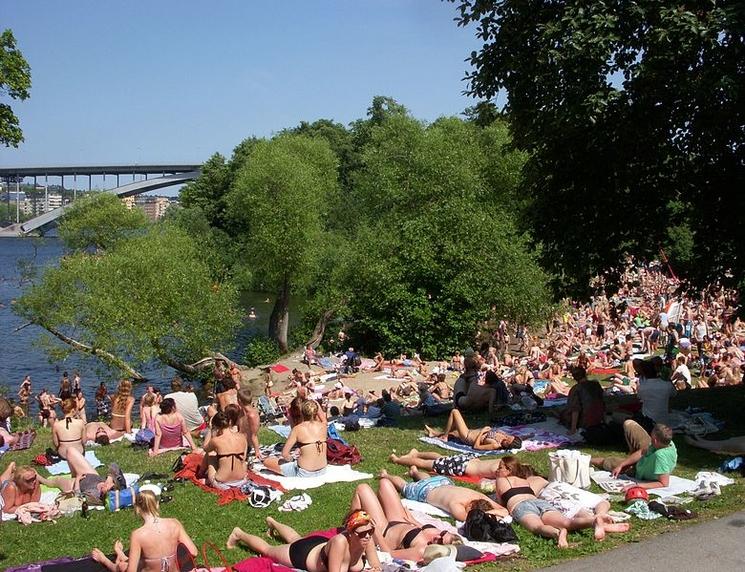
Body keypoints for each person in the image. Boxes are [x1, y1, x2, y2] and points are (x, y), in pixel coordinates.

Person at [227, 509, 382, 572]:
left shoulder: (366, 538)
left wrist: (374, 569)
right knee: (268, 550)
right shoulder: (339, 542)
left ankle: (273, 522)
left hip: (318, 545)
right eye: (362, 533)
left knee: (295, 538)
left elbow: (377, 567)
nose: (367, 536)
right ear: (350, 532)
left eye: (370, 531)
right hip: (302, 554)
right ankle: (239, 534)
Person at [346, 481, 463, 561]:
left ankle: (350, 529)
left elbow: (389, 553)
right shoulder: (438, 533)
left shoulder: (421, 551)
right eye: (443, 533)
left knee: (362, 489)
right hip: (402, 521)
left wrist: (376, 532)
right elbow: (424, 529)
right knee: (385, 483)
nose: (438, 536)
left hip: (384, 532)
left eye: (440, 542)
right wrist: (414, 521)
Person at [494, 456, 596, 548]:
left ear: (509, 470)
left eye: (500, 468)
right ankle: (593, 521)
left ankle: (557, 533)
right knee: (567, 522)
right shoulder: (524, 480)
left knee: (538, 527)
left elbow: (501, 503)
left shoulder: (500, 480)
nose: (497, 470)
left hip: (521, 506)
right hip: (538, 502)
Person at [92, 490, 198, 572]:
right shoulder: (174, 523)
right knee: (138, 561)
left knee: (122, 566)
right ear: (157, 504)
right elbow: (193, 552)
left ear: (137, 509)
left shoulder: (138, 535)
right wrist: (172, 560)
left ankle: (103, 559)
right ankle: (120, 554)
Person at [380, 467, 508, 521]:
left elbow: (504, 510)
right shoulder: (457, 505)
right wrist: (489, 514)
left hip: (442, 481)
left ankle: (414, 472)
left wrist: (491, 511)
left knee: (426, 479)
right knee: (404, 486)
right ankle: (386, 475)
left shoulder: (479, 496)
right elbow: (467, 518)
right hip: (425, 491)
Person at [591, 423, 677, 489]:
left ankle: (586, 459)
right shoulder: (668, 443)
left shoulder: (660, 457)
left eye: (651, 437)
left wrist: (637, 485)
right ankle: (629, 454)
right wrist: (622, 465)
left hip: (637, 470)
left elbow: (664, 483)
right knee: (629, 424)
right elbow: (642, 452)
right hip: (646, 459)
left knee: (609, 462)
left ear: (655, 440)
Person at [263, 400, 327, 478]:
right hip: (322, 470)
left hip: (304, 472)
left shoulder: (297, 429)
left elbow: (285, 454)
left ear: (302, 413)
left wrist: (292, 460)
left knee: (267, 461)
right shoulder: (323, 427)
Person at [424, 409, 522, 451]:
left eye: (508, 440)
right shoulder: (504, 436)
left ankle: (444, 437)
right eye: (509, 437)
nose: (507, 437)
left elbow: (476, 447)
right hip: (470, 431)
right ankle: (434, 433)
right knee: (452, 431)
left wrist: (482, 431)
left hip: (467, 436)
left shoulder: (495, 445)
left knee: (455, 412)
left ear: (508, 445)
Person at [201, 406, 248, 489]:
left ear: (216, 426)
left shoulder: (216, 441)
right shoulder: (242, 437)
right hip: (241, 480)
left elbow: (205, 448)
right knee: (241, 460)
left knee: (211, 455)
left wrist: (210, 430)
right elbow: (243, 459)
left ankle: (200, 473)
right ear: (229, 422)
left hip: (222, 484)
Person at [390, 448, 504, 479]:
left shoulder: (506, 462)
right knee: (425, 464)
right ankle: (397, 460)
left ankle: (416, 453)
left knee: (440, 458)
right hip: (461, 466)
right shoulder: (504, 472)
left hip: (470, 459)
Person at [563, 366, 605, 435]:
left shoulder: (576, 389)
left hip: (585, 421)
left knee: (562, 413)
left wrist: (573, 429)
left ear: (574, 378)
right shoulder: (596, 384)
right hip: (599, 417)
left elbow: (575, 410)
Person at [635, 358, 676, 428]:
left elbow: (639, 397)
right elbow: (674, 393)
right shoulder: (667, 385)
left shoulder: (642, 387)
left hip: (648, 421)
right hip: (664, 421)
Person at [237, 387, 263, 461]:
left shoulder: (252, 415)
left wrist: (257, 451)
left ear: (239, 400)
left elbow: (254, 435)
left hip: (245, 446)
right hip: (238, 442)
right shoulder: (241, 412)